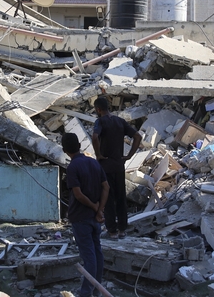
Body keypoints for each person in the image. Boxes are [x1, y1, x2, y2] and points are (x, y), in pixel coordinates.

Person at [63, 132, 109, 297]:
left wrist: (95, 207)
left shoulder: (73, 167)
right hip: (95, 218)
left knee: (89, 257)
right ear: (80, 146)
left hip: (81, 218)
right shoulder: (94, 163)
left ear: (65, 150)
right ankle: (96, 289)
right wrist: (100, 209)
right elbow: (106, 187)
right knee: (97, 253)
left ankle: (86, 293)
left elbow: (78, 194)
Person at [91, 96, 142, 239]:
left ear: (98, 109)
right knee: (120, 199)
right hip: (119, 166)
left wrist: (99, 154)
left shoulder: (100, 122)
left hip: (105, 168)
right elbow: (137, 136)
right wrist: (129, 156)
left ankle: (111, 231)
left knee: (107, 199)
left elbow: (95, 137)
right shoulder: (120, 122)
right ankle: (122, 230)